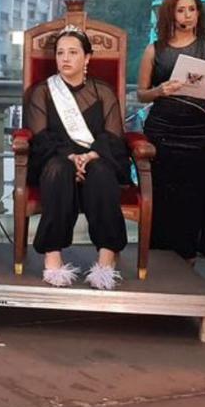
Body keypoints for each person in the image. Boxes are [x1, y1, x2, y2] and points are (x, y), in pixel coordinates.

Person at [24, 28, 131, 289]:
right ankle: (53, 258)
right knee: (57, 171)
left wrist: (91, 155)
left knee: (101, 172)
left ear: (87, 58)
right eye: (60, 53)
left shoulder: (103, 92)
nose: (65, 58)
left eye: (73, 52)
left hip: (98, 156)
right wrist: (71, 156)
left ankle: (106, 261)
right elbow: (40, 138)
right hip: (56, 156)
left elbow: (114, 136)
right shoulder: (43, 92)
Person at [135, 0, 205, 262]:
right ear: (170, 14)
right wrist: (161, 90)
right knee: (161, 195)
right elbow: (141, 94)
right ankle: (156, 258)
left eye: (192, 9)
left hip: (198, 132)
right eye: (181, 10)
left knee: (192, 198)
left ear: (199, 14)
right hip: (162, 130)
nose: (187, 15)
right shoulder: (155, 50)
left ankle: (188, 258)